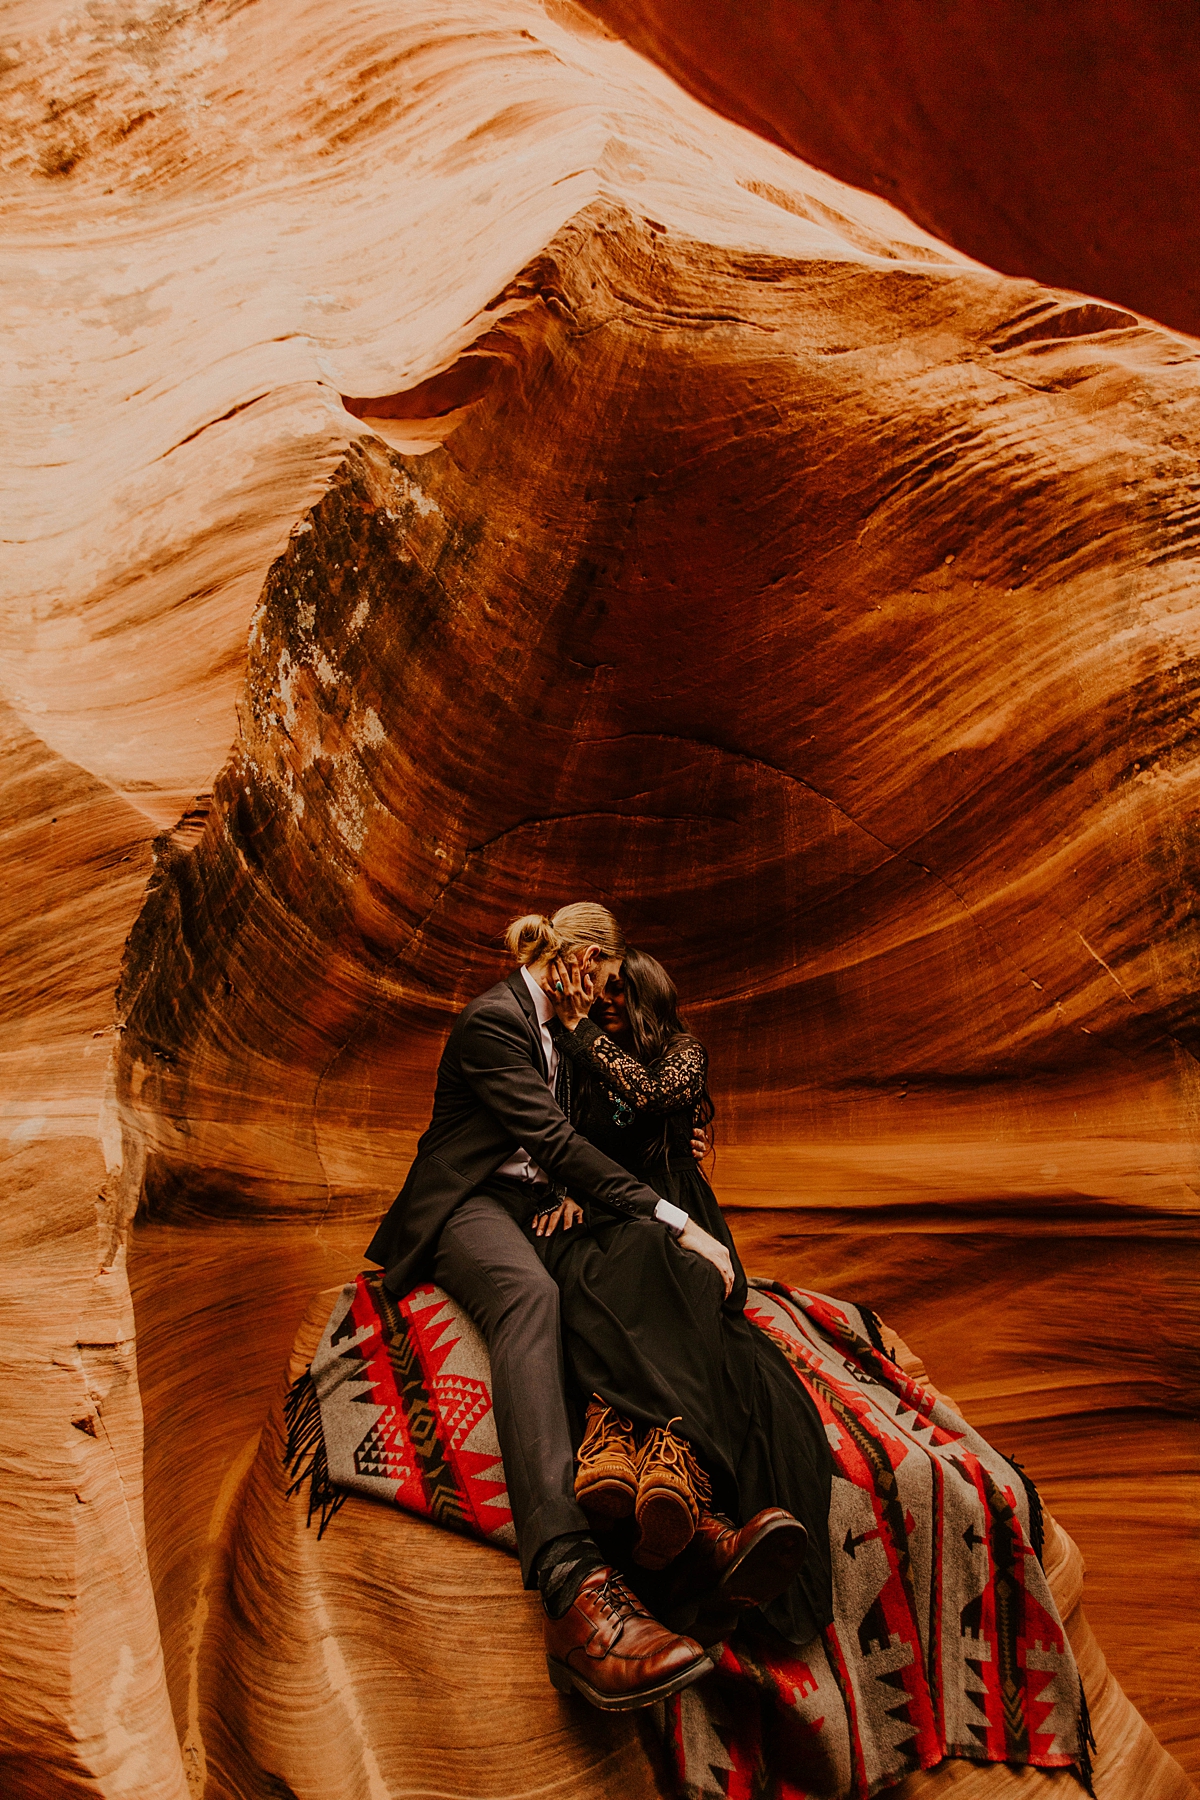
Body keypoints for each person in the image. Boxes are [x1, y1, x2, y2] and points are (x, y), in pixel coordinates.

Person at [364, 904, 738, 1712]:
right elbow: (555, 1139)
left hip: (540, 1201)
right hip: (469, 1205)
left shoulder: (560, 1030)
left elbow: (583, 1137)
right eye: (606, 975)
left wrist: (664, 1184)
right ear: (584, 959)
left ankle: (680, 1493)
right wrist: (676, 1220)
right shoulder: (492, 1024)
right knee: (531, 1295)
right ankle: (572, 1588)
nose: (607, 994)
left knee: (613, 1272)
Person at [534, 947, 835, 1649]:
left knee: (747, 1361)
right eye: (596, 994)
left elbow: (649, 1095)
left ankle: (697, 1496)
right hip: (619, 1212)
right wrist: (565, 1191)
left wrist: (583, 1037)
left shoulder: (683, 1052)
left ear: (646, 993)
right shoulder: (581, 1051)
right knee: (632, 1288)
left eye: (616, 994)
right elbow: (561, 1134)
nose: (603, 1003)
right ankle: (666, 1488)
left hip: (679, 1211)